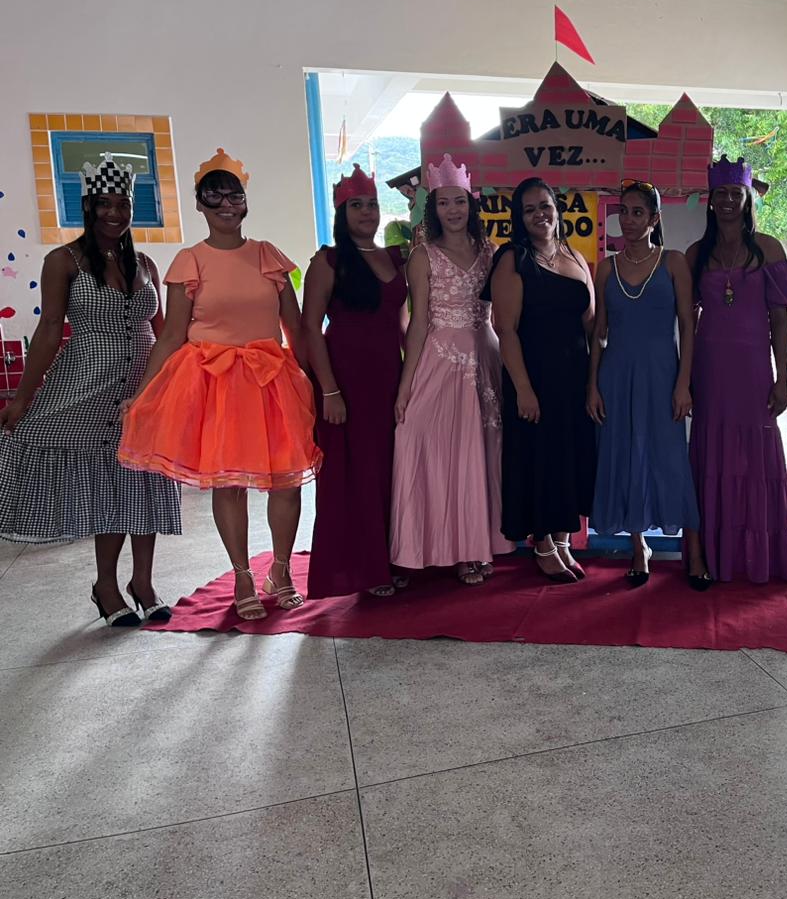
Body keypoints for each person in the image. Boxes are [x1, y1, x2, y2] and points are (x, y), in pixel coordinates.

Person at [118, 148, 321, 621]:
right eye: (215, 197)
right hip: (215, 384)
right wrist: (143, 394)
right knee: (229, 483)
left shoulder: (268, 256)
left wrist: (313, 380)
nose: (227, 205)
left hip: (271, 379)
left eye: (235, 196)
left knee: (287, 482)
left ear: (245, 201)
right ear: (200, 204)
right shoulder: (190, 261)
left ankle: (280, 570)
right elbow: (171, 335)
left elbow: (295, 327)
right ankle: (242, 576)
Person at [0, 156, 181, 626]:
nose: (114, 213)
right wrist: (22, 398)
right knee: (107, 486)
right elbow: (48, 329)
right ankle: (106, 585)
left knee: (143, 481)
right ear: (87, 206)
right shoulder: (63, 261)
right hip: (86, 386)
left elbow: (165, 332)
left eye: (123, 204)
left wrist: (171, 388)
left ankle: (143, 583)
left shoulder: (145, 264)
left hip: (142, 389)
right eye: (104, 203)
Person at [686, 156, 787, 588]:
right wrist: (683, 378)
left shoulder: (770, 249)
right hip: (710, 372)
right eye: (720, 193)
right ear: (711, 200)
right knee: (713, 456)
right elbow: (685, 322)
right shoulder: (696, 254)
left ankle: (783, 555)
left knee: (762, 460)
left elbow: (781, 321)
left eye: (735, 193)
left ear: (747, 199)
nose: (728, 200)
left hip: (755, 370)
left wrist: (783, 378)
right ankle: (713, 556)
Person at [391, 155, 514, 584]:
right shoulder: (422, 256)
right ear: (433, 208)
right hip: (439, 358)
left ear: (470, 203)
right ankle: (431, 546)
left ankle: (477, 548)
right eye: (443, 203)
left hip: (485, 355)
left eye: (459, 201)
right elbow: (417, 322)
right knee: (422, 441)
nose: (453, 210)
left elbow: (505, 313)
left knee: (481, 453)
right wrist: (406, 385)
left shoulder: (491, 251)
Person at [587, 180, 701, 586]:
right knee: (625, 455)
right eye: (624, 212)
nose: (630, 220)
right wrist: (592, 385)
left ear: (654, 218)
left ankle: (693, 550)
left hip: (662, 375)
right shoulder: (606, 267)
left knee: (668, 458)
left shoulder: (673, 263)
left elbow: (687, 326)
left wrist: (684, 383)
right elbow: (599, 333)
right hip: (616, 376)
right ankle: (639, 547)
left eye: (638, 212)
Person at [301, 164, 408, 598]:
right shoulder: (327, 260)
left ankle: (392, 557)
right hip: (345, 379)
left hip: (389, 376)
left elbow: (404, 323)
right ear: (342, 213)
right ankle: (365, 569)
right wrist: (328, 390)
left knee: (390, 470)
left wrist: (416, 375)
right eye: (357, 205)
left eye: (372, 205)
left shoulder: (395, 257)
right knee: (355, 473)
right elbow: (310, 328)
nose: (367, 213)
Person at [485, 176, 596, 582]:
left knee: (567, 457)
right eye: (529, 209)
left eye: (545, 206)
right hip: (534, 377)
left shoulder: (575, 256)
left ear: (557, 209)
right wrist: (523, 388)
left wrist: (595, 380)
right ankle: (543, 545)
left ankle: (563, 540)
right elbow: (505, 328)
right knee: (540, 458)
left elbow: (591, 324)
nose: (539, 215)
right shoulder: (513, 259)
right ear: (519, 217)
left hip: (574, 377)